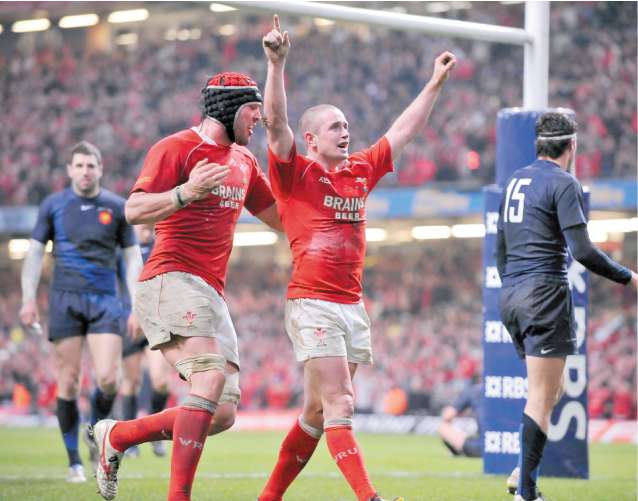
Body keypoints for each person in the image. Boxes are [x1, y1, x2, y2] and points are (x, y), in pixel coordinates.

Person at [259, 15, 455, 501]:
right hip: (313, 302)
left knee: (317, 414)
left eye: (347, 124)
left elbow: (402, 132)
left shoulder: (360, 169)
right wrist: (276, 64)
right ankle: (370, 498)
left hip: (351, 306)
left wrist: (433, 84)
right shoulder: (295, 174)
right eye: (335, 126)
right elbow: (276, 123)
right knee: (343, 401)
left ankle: (267, 498)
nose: (346, 132)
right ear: (312, 140)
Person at [88, 71, 282, 501]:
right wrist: (185, 193)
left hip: (211, 291)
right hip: (170, 276)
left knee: (223, 413)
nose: (258, 120)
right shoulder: (176, 148)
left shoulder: (245, 162)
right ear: (229, 109)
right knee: (209, 377)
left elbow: (280, 219)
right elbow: (134, 210)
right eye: (252, 111)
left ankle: (118, 435)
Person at [495, 111, 638, 501]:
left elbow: (501, 249)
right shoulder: (564, 182)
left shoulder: (514, 181)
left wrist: (513, 289)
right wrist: (630, 277)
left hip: (511, 294)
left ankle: (520, 473)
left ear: (539, 143)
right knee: (542, 396)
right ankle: (526, 491)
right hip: (544, 293)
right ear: (572, 145)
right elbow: (583, 252)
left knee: (549, 391)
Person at [19, 141, 143, 483]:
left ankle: (94, 432)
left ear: (100, 169)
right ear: (70, 170)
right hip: (65, 299)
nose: (85, 171)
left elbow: (133, 258)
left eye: (91, 165)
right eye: (80, 165)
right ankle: (74, 461)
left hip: (105, 299)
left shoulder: (117, 207)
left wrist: (136, 304)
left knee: (108, 378)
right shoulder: (54, 205)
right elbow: (32, 254)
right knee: (69, 381)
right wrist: (28, 298)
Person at [118, 223, 172, 458]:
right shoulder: (121, 250)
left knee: (160, 382)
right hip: (128, 321)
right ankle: (130, 440)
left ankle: (154, 432)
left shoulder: (163, 246)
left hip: (156, 322)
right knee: (131, 382)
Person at [437, 376, 482, 458]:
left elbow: (447, 415)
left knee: (443, 427)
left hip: (482, 447)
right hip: (508, 444)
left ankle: (457, 451)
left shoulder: (473, 391)